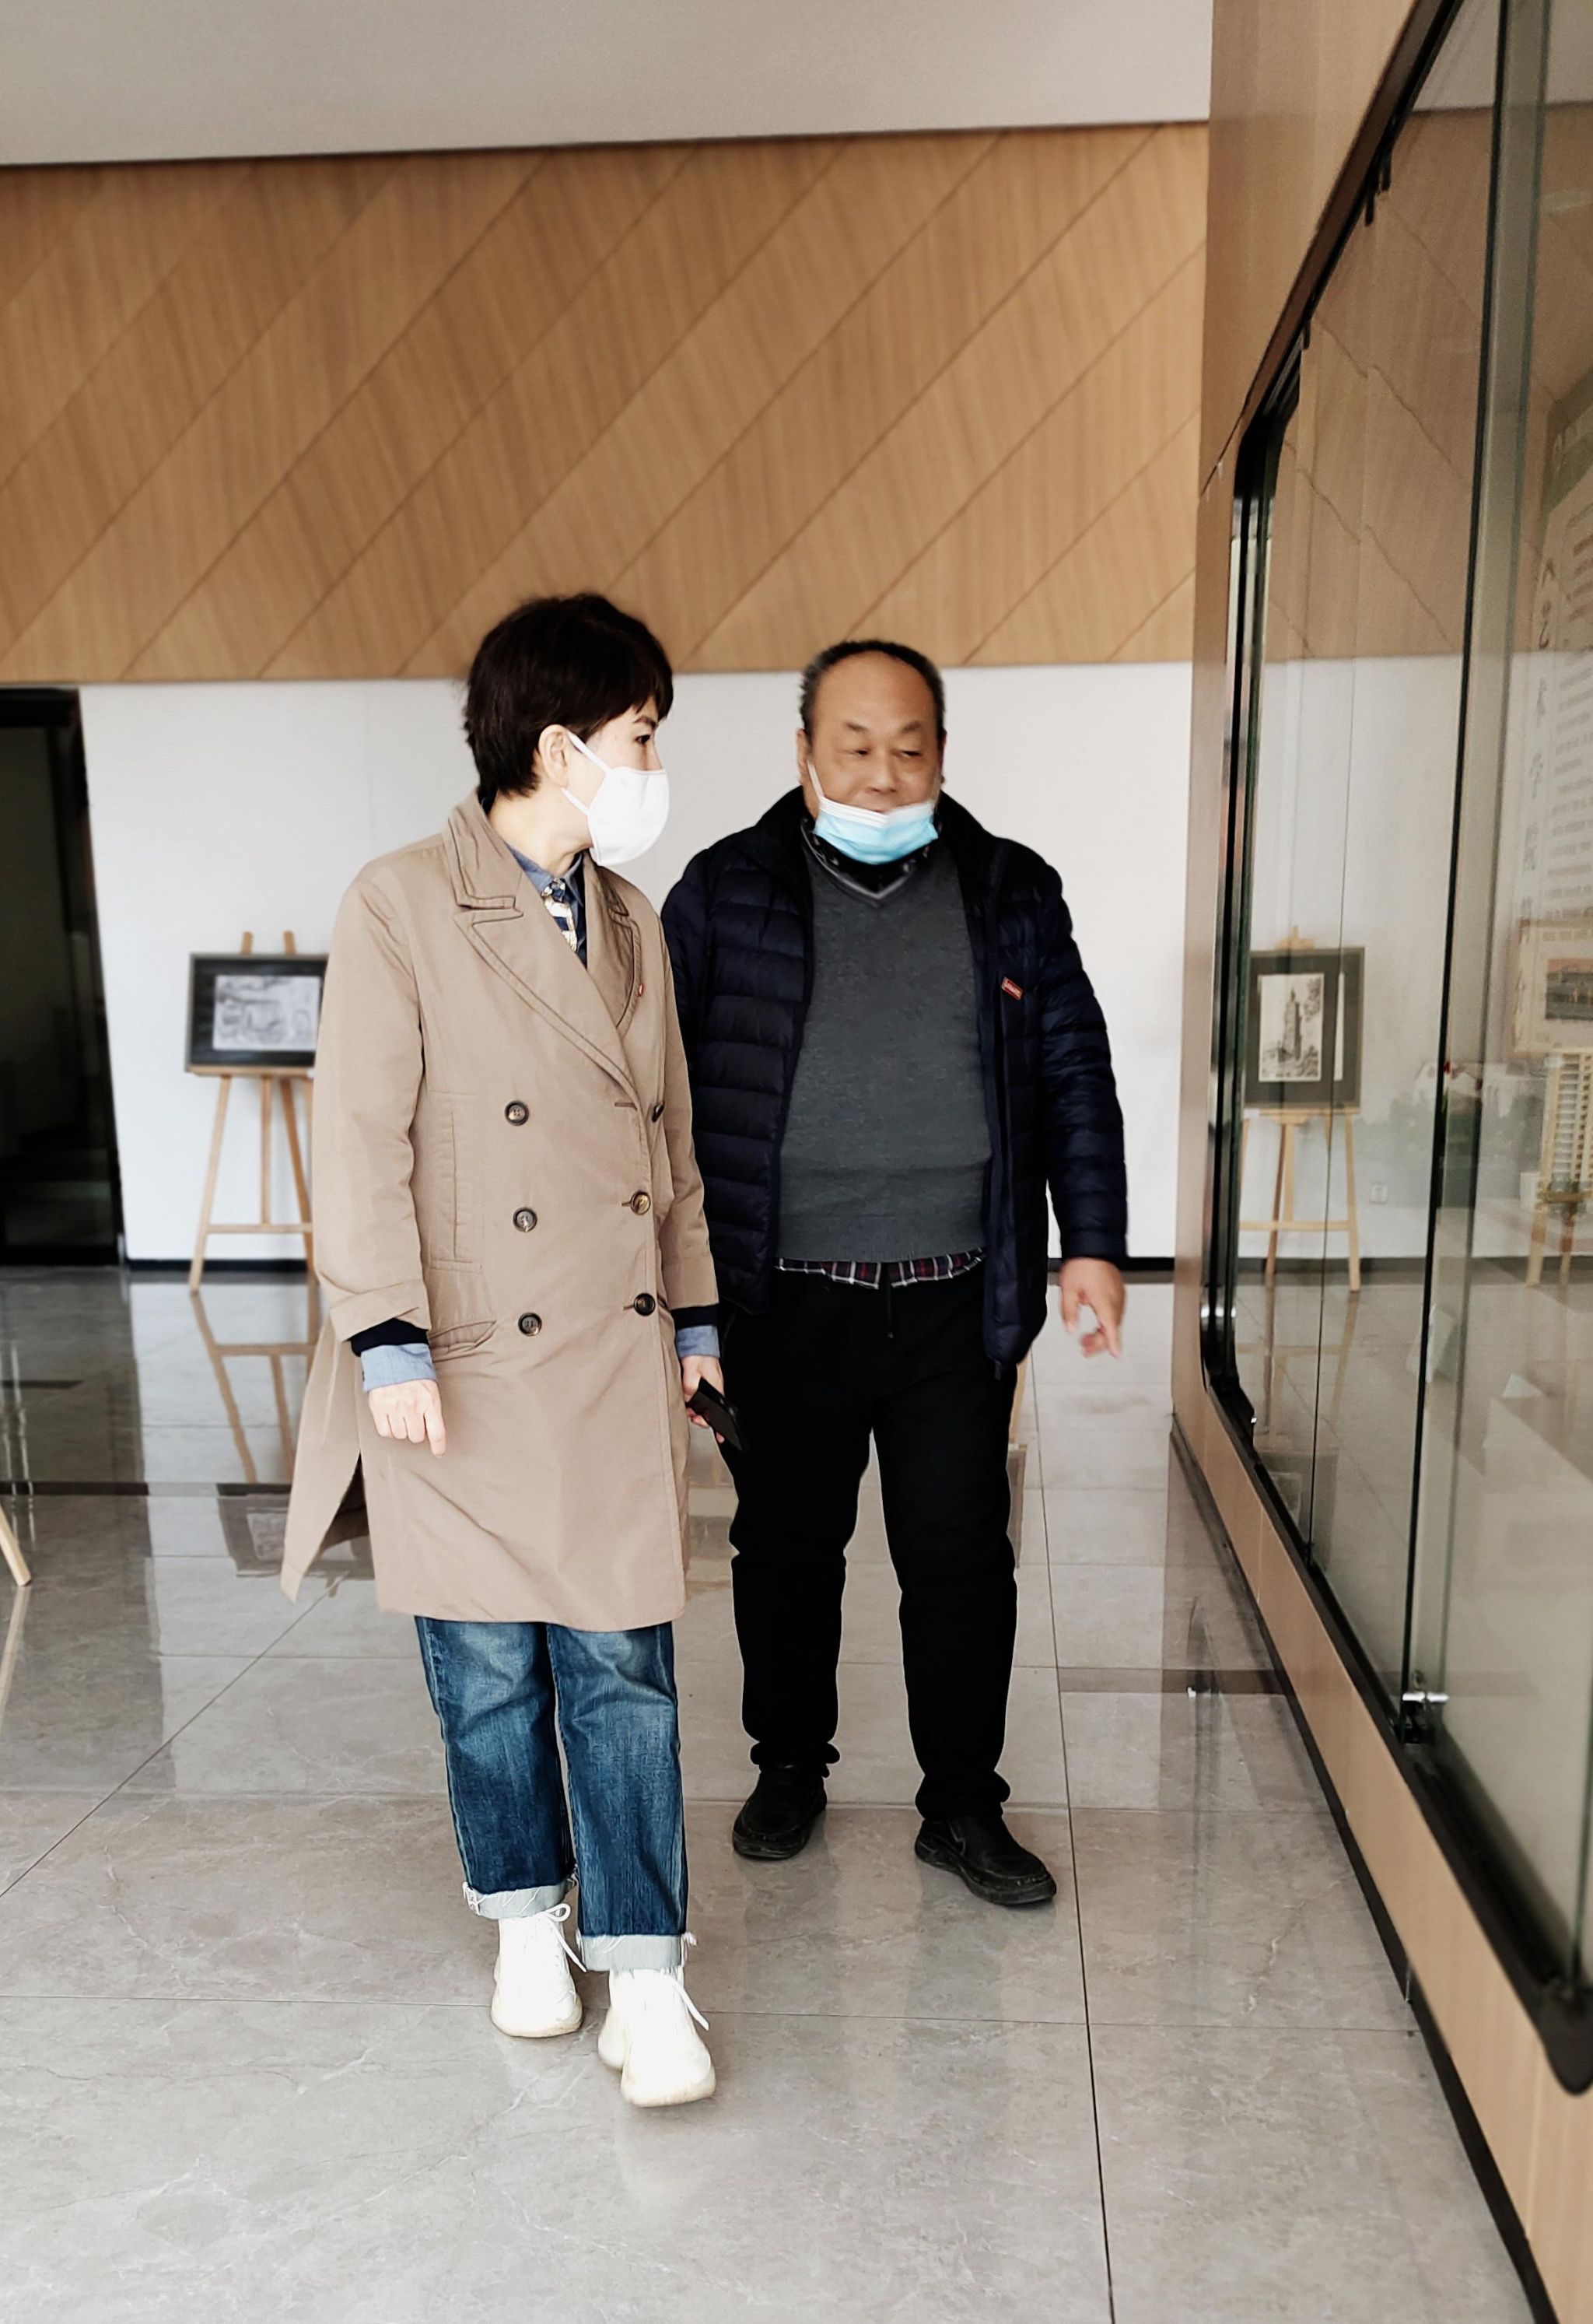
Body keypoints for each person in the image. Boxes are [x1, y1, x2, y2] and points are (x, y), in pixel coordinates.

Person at [282, 593, 722, 2106]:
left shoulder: (632, 919)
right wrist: (388, 1341)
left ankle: (646, 1970)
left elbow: (667, 1144)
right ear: (557, 745)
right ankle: (527, 1925)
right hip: (462, 1359)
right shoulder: (400, 903)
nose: (653, 765)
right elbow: (360, 1139)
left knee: (624, 1667)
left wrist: (696, 1319)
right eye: (640, 736)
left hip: (608, 1350)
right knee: (483, 1671)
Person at [663, 638, 1127, 1908]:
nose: (882, 776)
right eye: (855, 748)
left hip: (957, 1294)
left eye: (908, 750)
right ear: (804, 752)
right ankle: (788, 1767)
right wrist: (673, 1296)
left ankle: (963, 1805)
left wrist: (1090, 1241)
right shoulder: (725, 891)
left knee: (960, 1558)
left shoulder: (1012, 888)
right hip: (782, 1295)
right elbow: (658, 1098)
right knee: (786, 1549)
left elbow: (1074, 1073)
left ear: (942, 755)